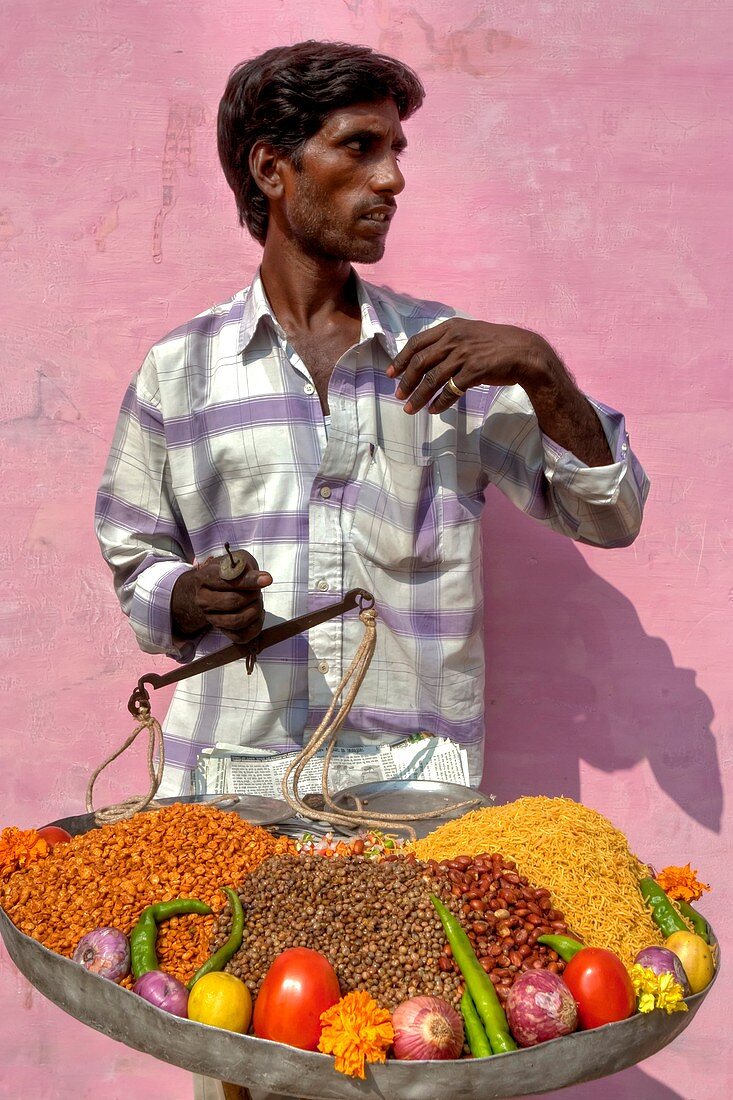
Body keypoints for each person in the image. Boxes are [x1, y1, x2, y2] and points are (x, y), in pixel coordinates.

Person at [95, 40, 649, 801]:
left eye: (395, 151)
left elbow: (609, 516)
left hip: (415, 780)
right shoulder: (180, 369)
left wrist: (540, 368)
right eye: (360, 147)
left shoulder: (451, 355)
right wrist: (190, 596)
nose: (391, 178)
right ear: (271, 169)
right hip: (229, 778)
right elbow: (136, 559)